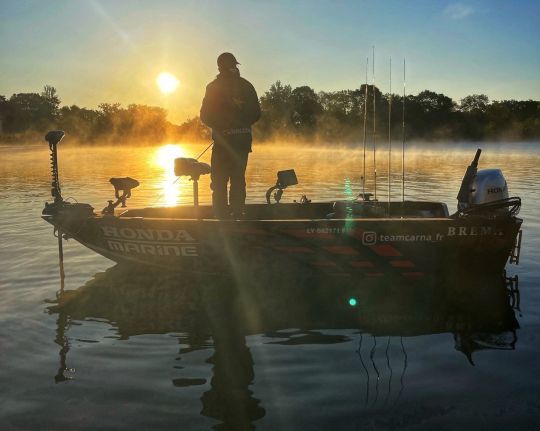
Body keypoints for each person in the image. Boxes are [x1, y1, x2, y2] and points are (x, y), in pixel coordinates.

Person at [200, 52, 261, 219]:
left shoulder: (213, 87)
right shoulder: (247, 86)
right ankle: (238, 215)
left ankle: (221, 218)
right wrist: (240, 122)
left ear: (219, 68)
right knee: (238, 180)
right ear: (233, 66)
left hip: (223, 144)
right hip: (241, 144)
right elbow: (256, 113)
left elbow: (205, 116)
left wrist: (221, 125)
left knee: (219, 182)